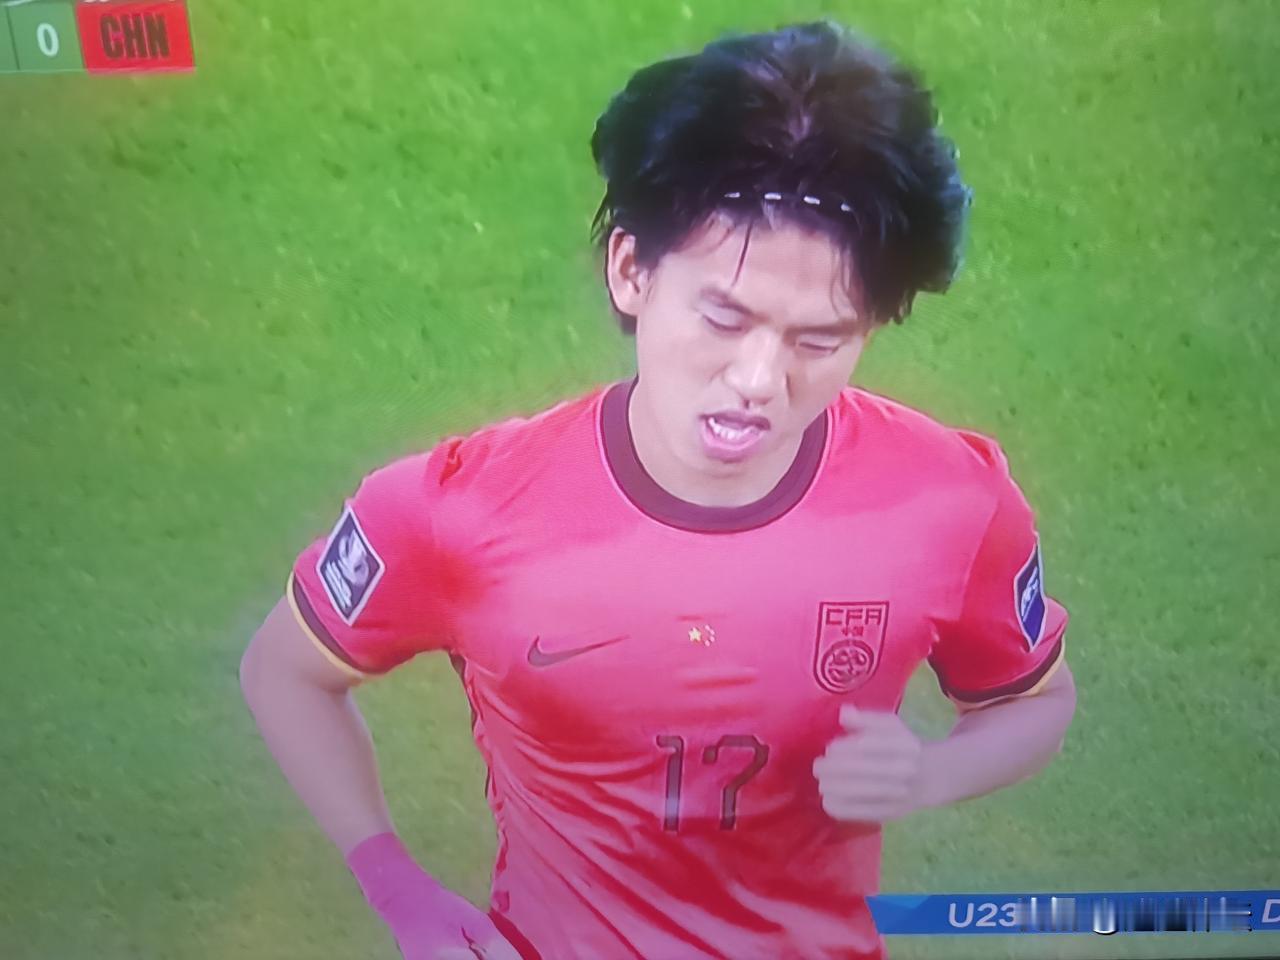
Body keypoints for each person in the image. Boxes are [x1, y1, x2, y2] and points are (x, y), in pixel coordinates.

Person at [239, 19, 1076, 960]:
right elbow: (286, 671)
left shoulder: (951, 503)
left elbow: (1035, 701)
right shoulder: (456, 512)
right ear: (632, 271)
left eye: (819, 340)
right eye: (723, 318)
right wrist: (397, 888)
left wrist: (928, 775)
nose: (759, 380)